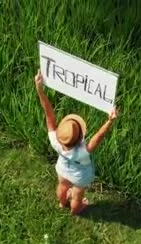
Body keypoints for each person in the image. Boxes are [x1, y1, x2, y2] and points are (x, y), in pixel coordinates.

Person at [34, 69, 118, 215]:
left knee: (62, 185)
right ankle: (75, 209)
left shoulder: (55, 141)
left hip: (62, 168)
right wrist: (109, 121)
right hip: (81, 175)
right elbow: (98, 137)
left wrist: (40, 89)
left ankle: (62, 203)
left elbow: (49, 114)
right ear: (80, 137)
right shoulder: (83, 151)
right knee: (78, 196)